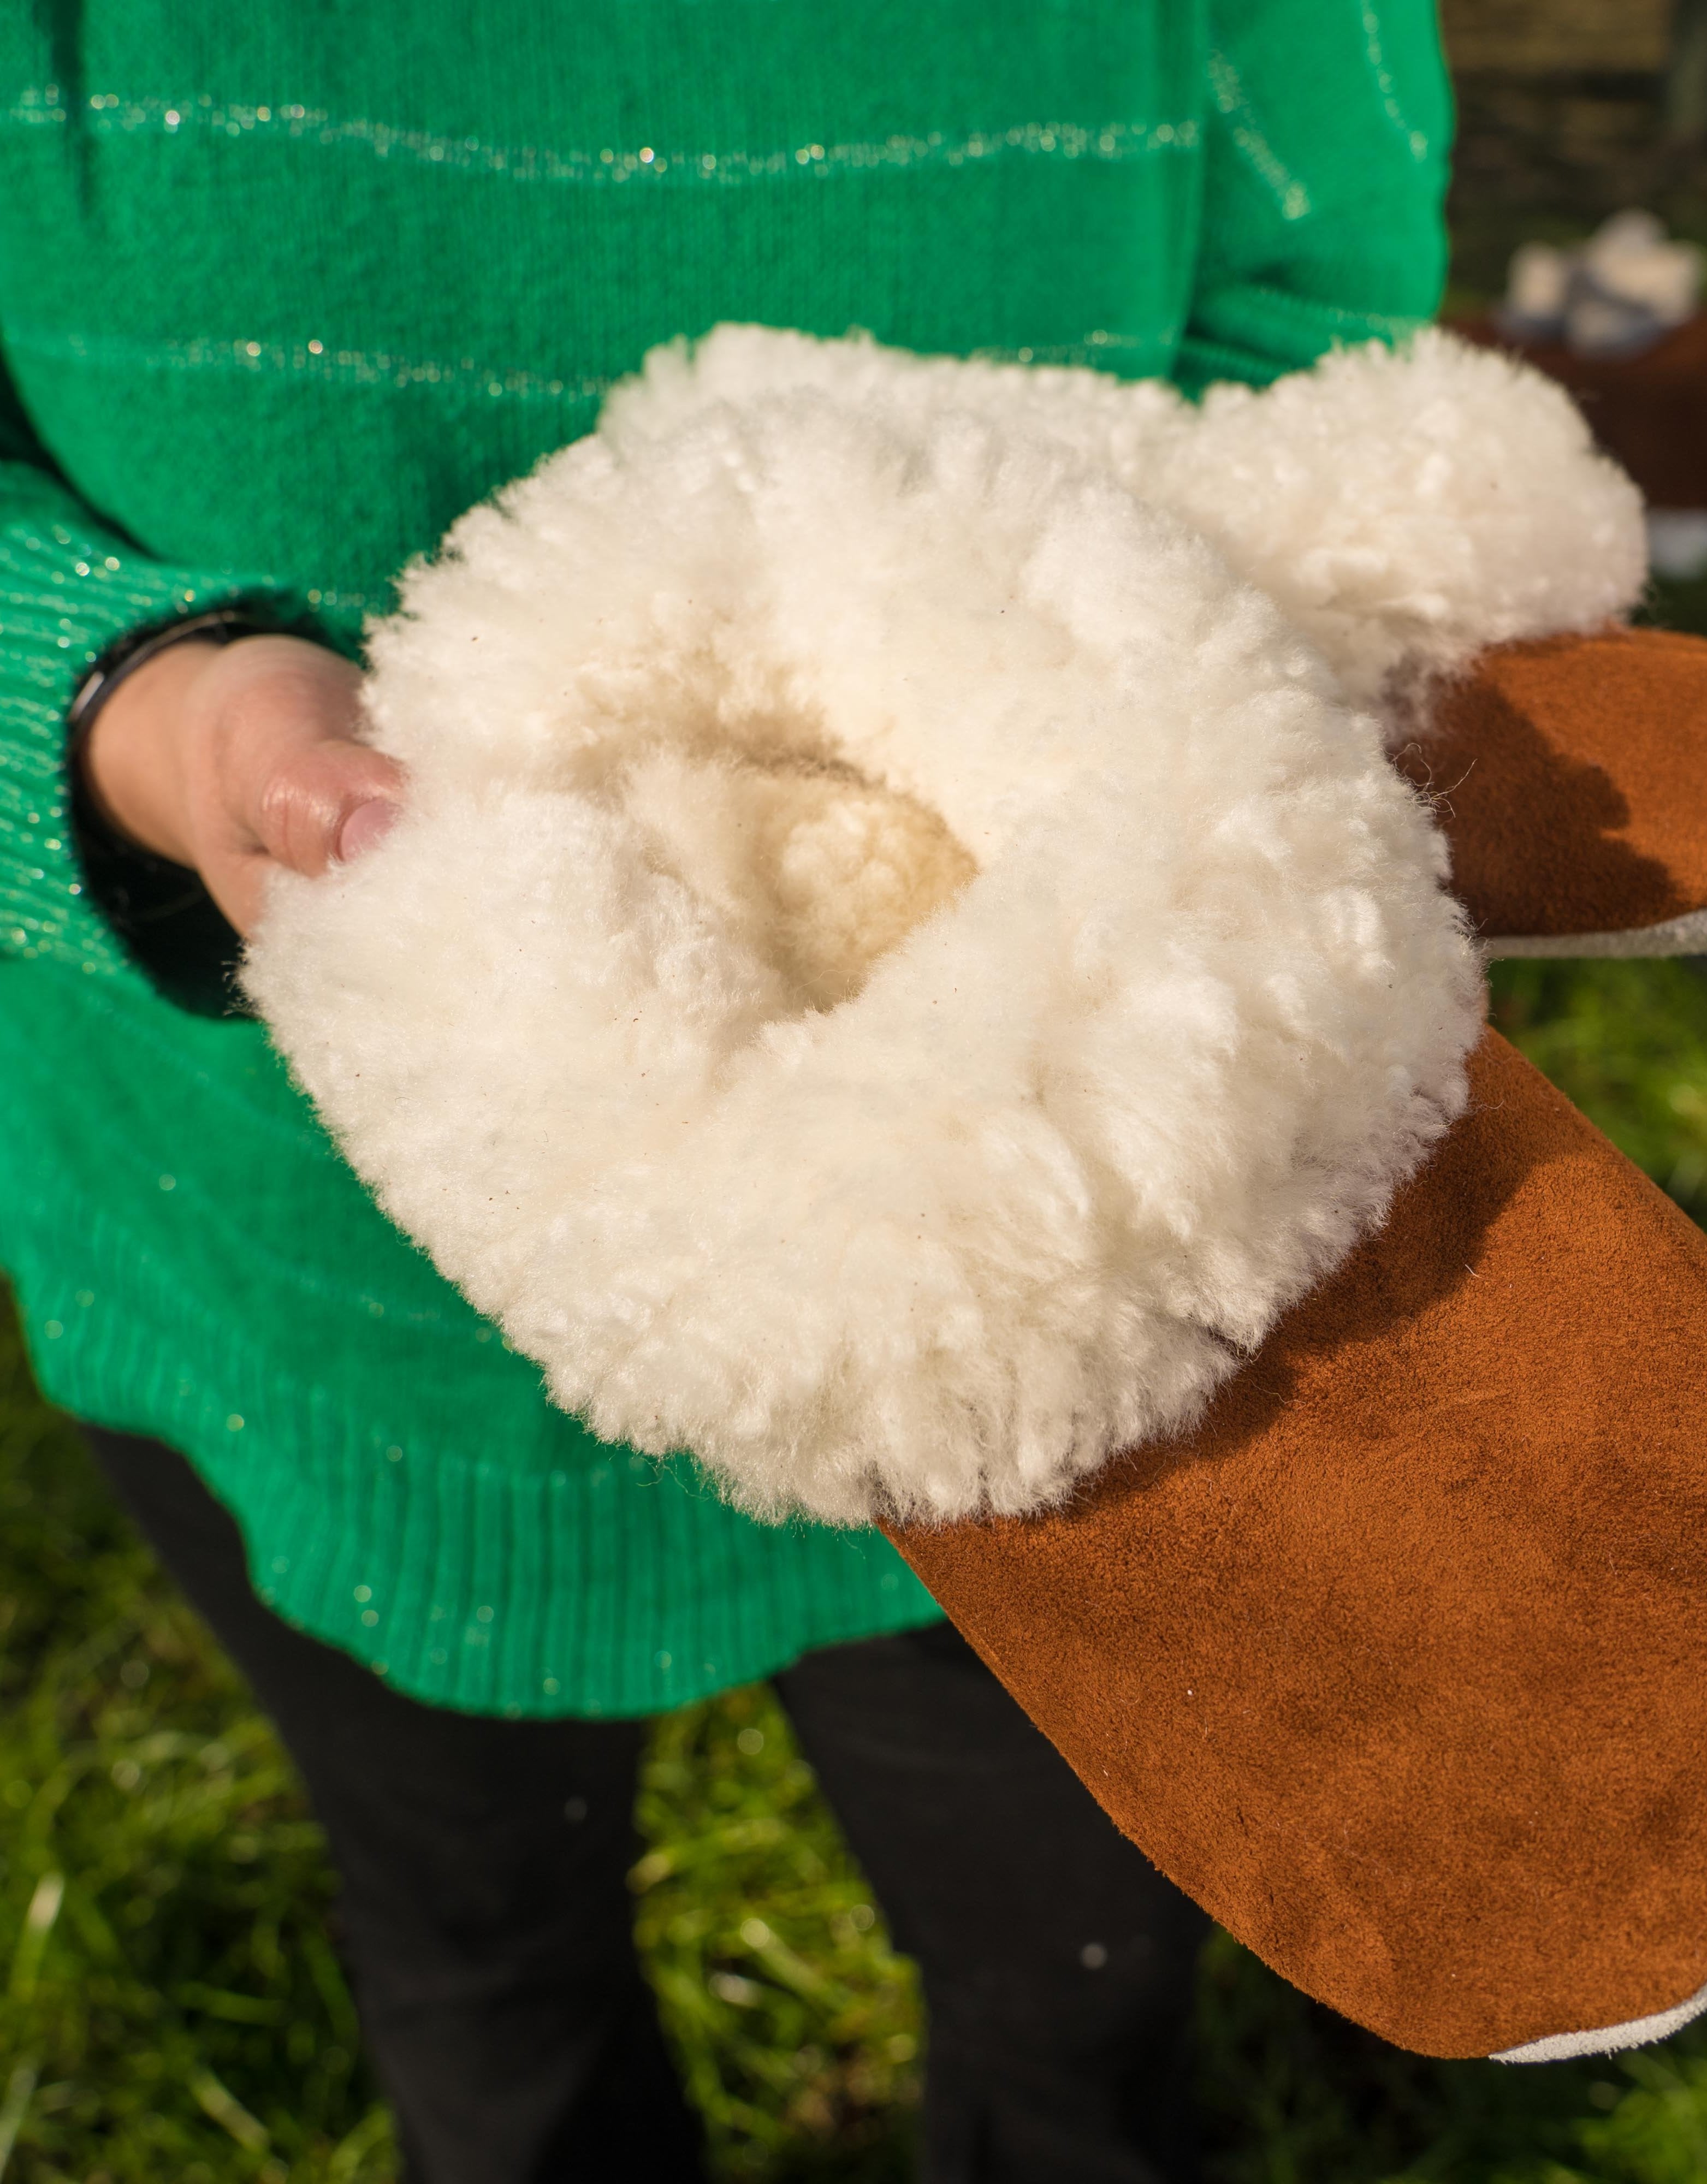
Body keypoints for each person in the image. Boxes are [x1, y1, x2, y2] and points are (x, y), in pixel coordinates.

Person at [0, 4, 1455, 2177]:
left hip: (1040, 1229)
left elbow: (1317, 303)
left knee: (1085, 1964)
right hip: (294, 1258)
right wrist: (137, 708)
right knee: (482, 1964)